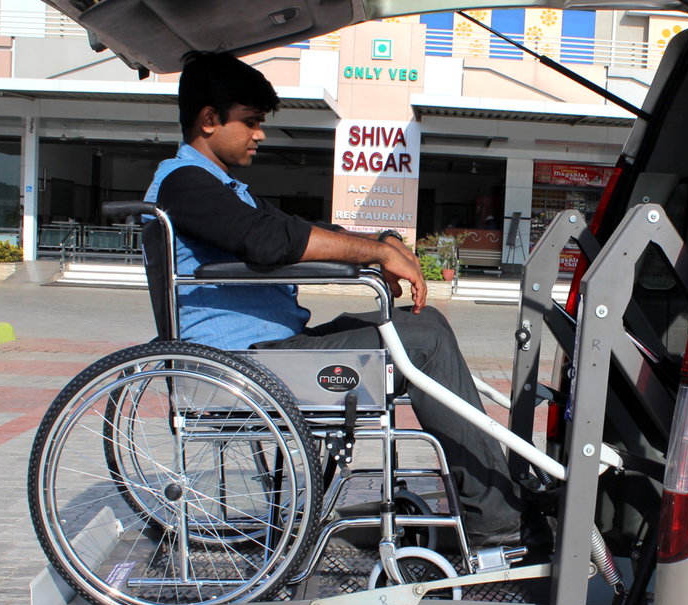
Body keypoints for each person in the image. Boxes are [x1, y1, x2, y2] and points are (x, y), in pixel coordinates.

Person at [143, 51, 526, 548]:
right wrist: (376, 254)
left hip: (268, 353)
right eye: (252, 122)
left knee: (422, 324)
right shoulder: (182, 183)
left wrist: (379, 245)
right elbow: (267, 240)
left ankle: (498, 497)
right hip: (239, 367)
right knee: (424, 341)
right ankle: (497, 519)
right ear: (210, 120)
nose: (260, 134)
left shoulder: (220, 187)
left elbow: (302, 230)